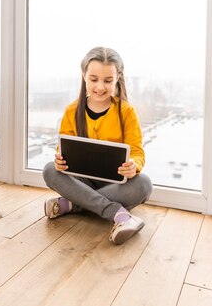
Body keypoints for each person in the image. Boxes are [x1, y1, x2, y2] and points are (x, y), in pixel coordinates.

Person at [42, 46, 153, 245]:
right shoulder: (72, 111)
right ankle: (119, 215)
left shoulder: (126, 112)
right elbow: (63, 148)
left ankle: (74, 205)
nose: (100, 87)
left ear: (118, 77)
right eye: (94, 79)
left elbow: (137, 152)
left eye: (108, 81)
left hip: (115, 184)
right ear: (84, 76)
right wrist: (59, 160)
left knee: (143, 185)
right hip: (82, 181)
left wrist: (133, 166)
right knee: (50, 170)